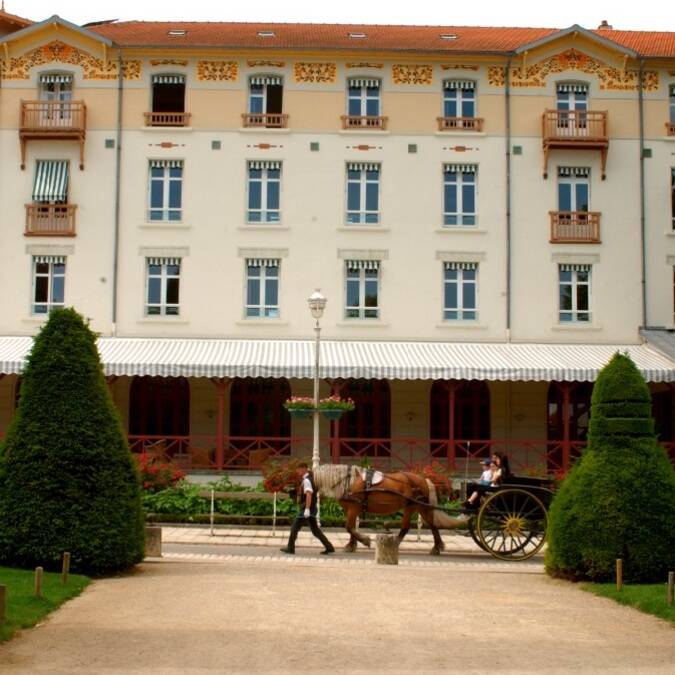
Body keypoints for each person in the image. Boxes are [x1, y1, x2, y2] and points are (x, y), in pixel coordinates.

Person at [280, 462, 335, 555]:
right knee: (315, 531)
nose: (297, 471)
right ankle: (329, 547)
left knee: (294, 527)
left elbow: (309, 494)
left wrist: (307, 509)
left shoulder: (307, 481)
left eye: (298, 469)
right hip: (311, 509)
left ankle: (290, 547)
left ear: (304, 469)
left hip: (306, 509)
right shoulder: (310, 479)